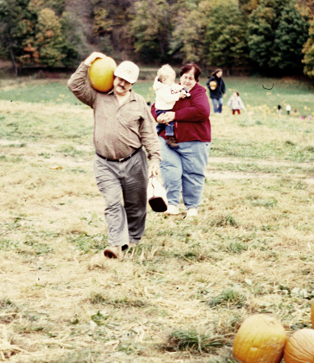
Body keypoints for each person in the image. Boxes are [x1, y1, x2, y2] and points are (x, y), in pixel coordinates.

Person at [68, 52, 161, 259]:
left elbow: (149, 134)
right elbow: (74, 85)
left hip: (134, 161)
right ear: (114, 76)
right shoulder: (98, 96)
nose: (122, 83)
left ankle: (134, 239)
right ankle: (116, 245)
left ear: (133, 83)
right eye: (119, 78)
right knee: (112, 203)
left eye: (127, 81)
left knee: (135, 205)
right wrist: (88, 61)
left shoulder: (139, 104)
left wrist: (154, 158)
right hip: (104, 163)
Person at [152, 62, 211, 218]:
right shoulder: (172, 89)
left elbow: (202, 111)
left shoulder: (199, 93)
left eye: (191, 78)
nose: (187, 81)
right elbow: (156, 104)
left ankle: (192, 207)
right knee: (170, 170)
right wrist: (158, 116)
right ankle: (171, 204)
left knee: (193, 173)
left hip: (195, 140)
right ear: (181, 76)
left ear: (196, 79)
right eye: (185, 77)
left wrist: (175, 115)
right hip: (168, 139)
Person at [153, 64, 190, 146]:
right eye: (171, 81)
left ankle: (154, 134)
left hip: (166, 108)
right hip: (162, 109)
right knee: (169, 121)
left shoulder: (168, 84)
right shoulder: (161, 89)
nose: (173, 82)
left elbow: (174, 86)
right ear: (163, 80)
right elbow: (168, 98)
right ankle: (170, 138)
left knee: (162, 125)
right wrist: (178, 96)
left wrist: (181, 88)